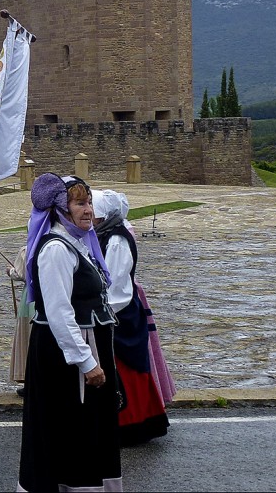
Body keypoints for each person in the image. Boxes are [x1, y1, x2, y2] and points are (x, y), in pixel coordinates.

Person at [17, 173, 122, 492]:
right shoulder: (57, 249)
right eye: (79, 203)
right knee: (71, 431)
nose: (88, 209)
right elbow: (60, 313)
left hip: (82, 350)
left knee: (88, 429)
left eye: (89, 202)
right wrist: (86, 362)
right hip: (65, 359)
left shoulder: (77, 243)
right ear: (61, 209)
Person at [92, 189, 170, 445]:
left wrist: (103, 313)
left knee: (126, 367)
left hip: (119, 312)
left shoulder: (116, 240)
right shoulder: (103, 235)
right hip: (111, 310)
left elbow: (116, 285)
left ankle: (133, 423)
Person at [6, 242, 33, 396]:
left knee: (27, 339)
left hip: (30, 301)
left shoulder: (28, 249)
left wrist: (10, 271)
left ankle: (30, 380)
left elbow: (20, 274)